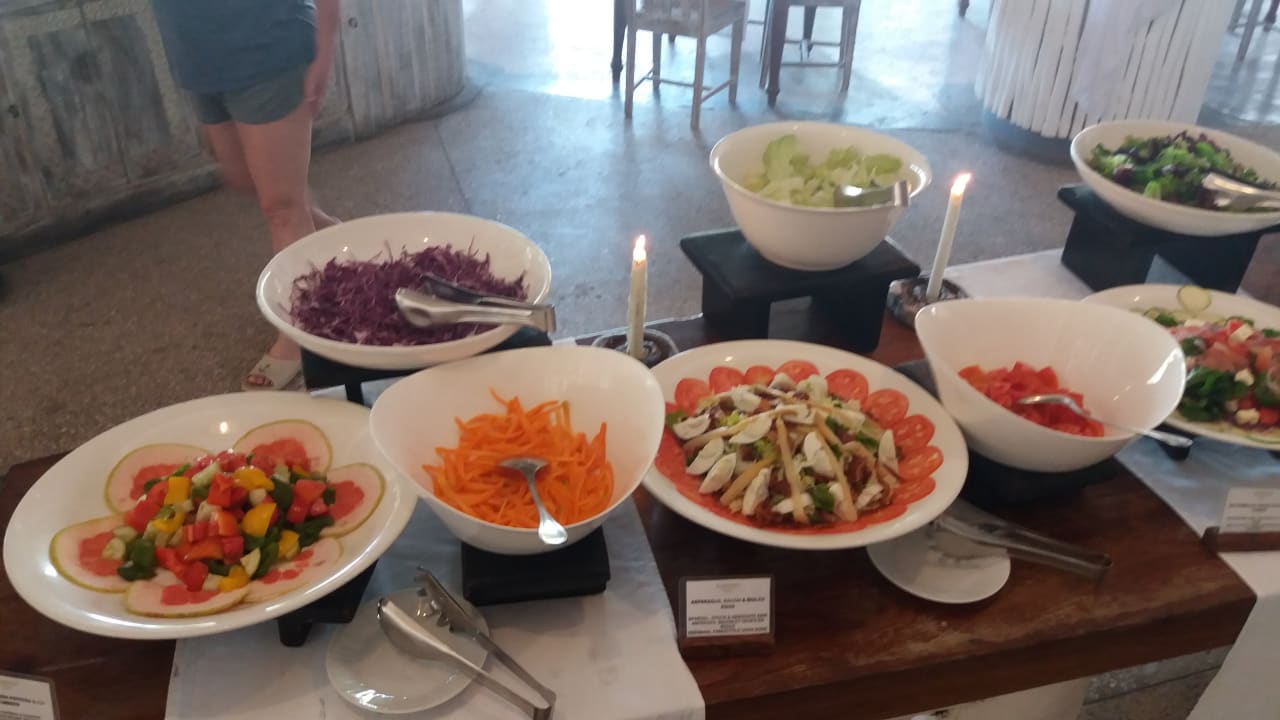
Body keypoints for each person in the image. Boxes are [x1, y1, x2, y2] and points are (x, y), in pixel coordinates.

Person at [151, 0, 340, 390]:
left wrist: (325, 45)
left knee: (281, 207)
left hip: (268, 47)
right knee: (244, 178)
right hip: (197, 58)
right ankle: (332, 236)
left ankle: (300, 331)